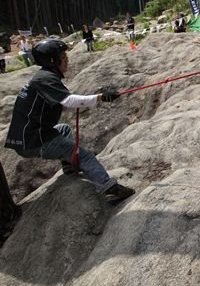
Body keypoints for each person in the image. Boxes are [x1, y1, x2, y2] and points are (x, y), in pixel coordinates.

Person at [4, 39, 135, 204]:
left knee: (64, 129)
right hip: (34, 139)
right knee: (85, 156)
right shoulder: (45, 78)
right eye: (63, 57)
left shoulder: (43, 77)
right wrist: (100, 97)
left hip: (27, 137)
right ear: (52, 60)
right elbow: (69, 101)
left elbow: (62, 104)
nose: (67, 60)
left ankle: (68, 164)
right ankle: (111, 190)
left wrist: (93, 100)